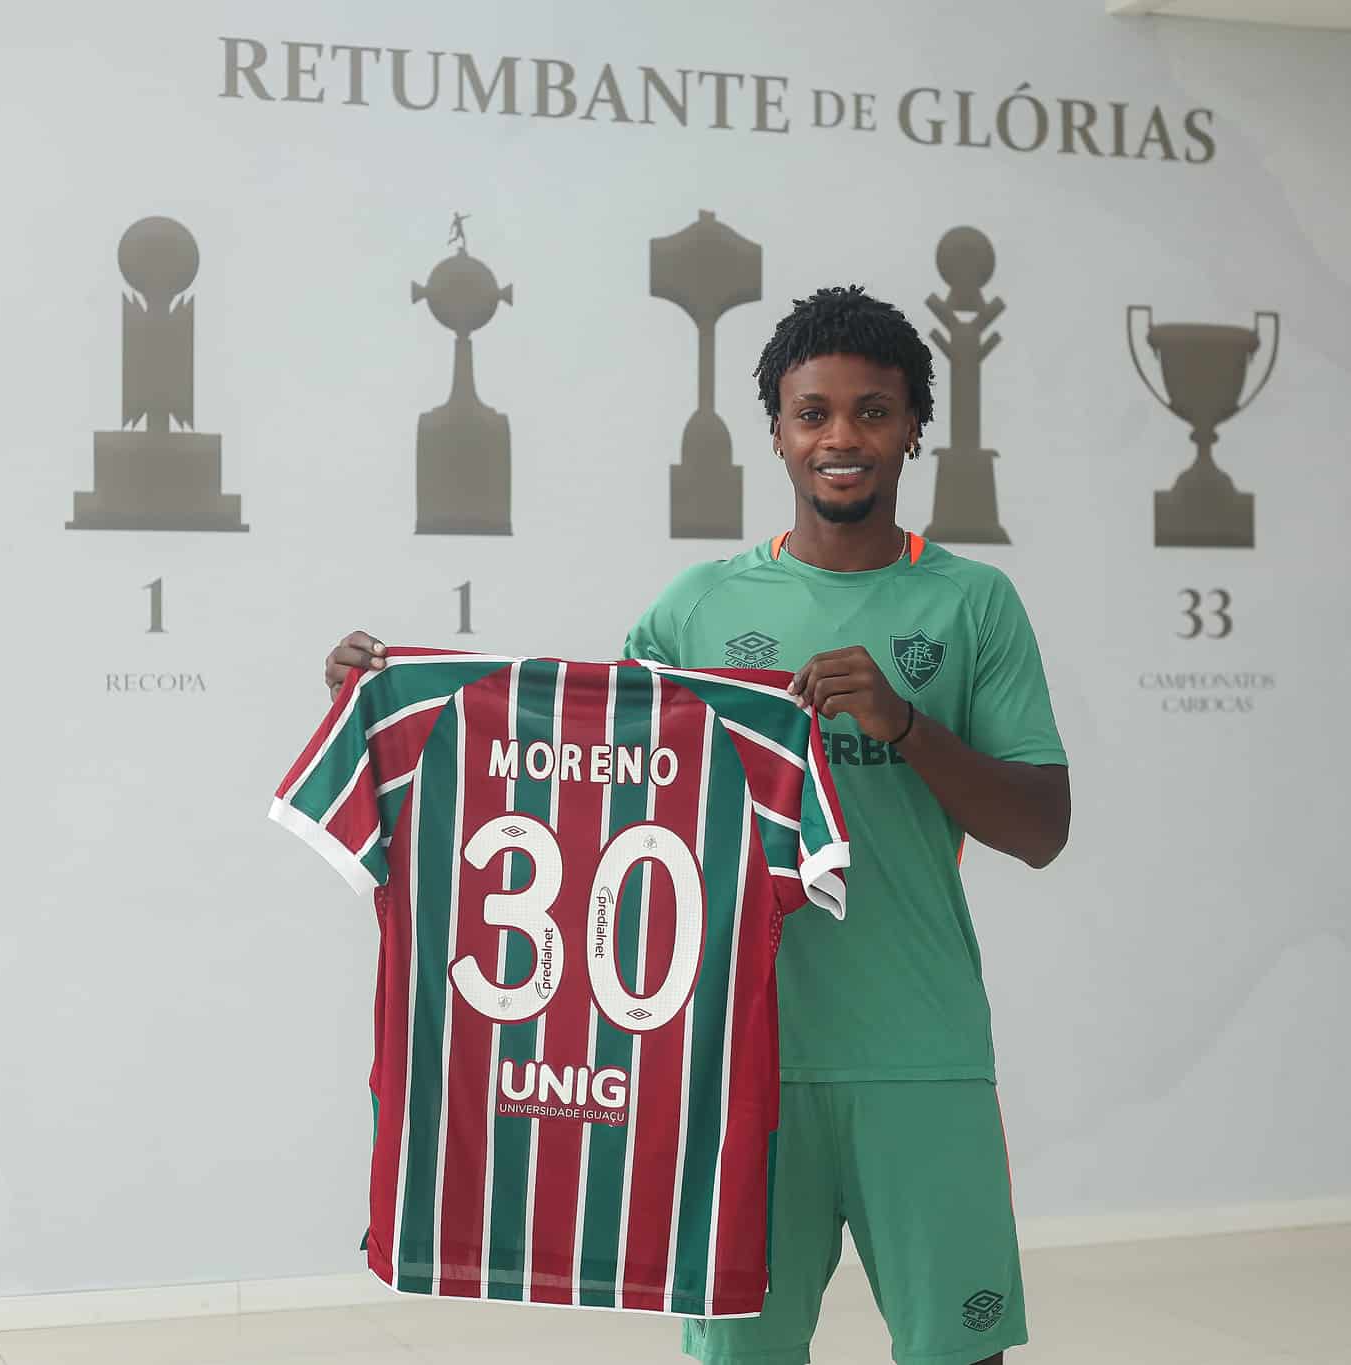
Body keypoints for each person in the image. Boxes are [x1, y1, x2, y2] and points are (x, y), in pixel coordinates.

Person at [324, 284, 1070, 1365]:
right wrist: (395, 695)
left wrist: (902, 723)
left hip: (920, 1051)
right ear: (775, 430)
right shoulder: (698, 610)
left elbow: (1040, 827)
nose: (842, 437)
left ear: (915, 428)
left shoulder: (972, 604)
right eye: (813, 412)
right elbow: (574, 773)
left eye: (872, 410)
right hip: (730, 1059)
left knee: (960, 1355)